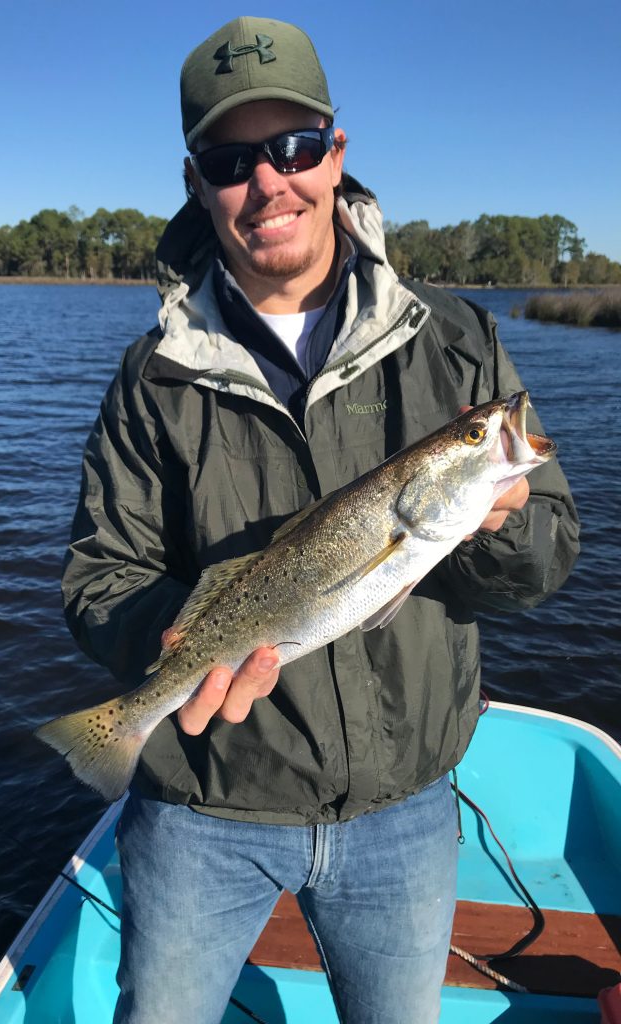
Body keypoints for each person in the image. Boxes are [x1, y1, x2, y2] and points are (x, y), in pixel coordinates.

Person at [61, 16, 580, 1024]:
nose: (269, 182)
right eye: (230, 158)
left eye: (295, 147)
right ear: (196, 180)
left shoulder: (457, 341)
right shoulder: (152, 378)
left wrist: (501, 521)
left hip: (405, 803)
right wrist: (169, 645)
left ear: (336, 155)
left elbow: (549, 553)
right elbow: (99, 577)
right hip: (201, 802)